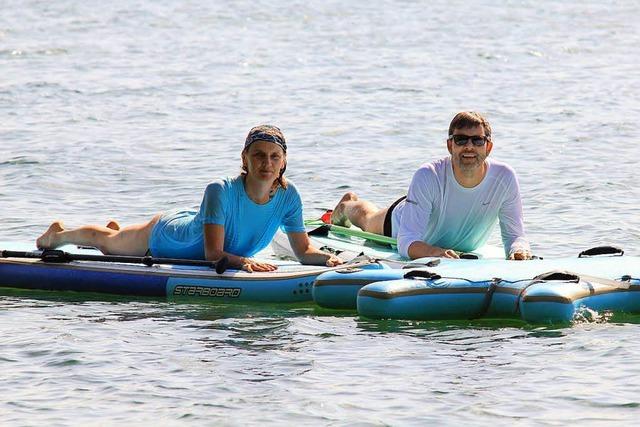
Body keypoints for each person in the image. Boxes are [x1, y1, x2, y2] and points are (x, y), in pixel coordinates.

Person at [36, 125, 343, 272]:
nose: (267, 163)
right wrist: (246, 262)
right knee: (108, 244)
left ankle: (117, 230)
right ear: (245, 159)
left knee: (117, 238)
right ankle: (58, 235)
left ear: (284, 161)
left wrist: (327, 259)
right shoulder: (220, 190)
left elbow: (303, 251)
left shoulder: (289, 196)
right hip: (169, 237)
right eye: (258, 155)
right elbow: (213, 254)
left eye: (274, 157)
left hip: (197, 224)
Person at [331, 111, 531, 260]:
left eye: (477, 140)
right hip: (400, 221)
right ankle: (346, 205)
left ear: (488, 147)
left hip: (438, 223)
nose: (469, 146)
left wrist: (518, 250)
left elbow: (515, 236)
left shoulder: (505, 177)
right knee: (367, 220)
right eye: (461, 140)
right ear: (450, 145)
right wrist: (435, 253)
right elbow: (406, 241)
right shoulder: (428, 175)